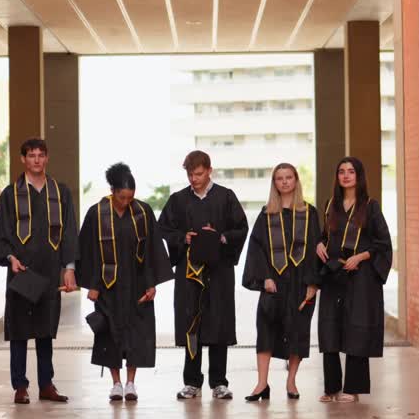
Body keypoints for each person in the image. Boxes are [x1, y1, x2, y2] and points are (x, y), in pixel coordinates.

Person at [0, 138, 79, 404]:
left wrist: (70, 268)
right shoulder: (10, 194)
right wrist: (10, 258)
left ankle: (46, 384)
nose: (37, 160)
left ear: (47, 158)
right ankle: (20, 385)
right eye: (31, 155)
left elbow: (69, 232)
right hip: (22, 270)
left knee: (44, 330)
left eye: (41, 155)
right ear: (23, 159)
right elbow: (1, 232)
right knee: (19, 330)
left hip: (51, 270)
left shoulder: (59, 192)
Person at [157, 150, 248, 401]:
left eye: (198, 174)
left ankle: (219, 382)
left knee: (218, 323)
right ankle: (192, 382)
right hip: (189, 274)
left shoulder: (226, 197)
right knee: (192, 326)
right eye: (189, 174)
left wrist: (221, 236)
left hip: (218, 272)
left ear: (209, 170)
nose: (193, 179)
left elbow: (241, 228)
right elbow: (162, 228)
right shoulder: (178, 200)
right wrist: (182, 237)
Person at [78, 163, 173, 402]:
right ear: (112, 190)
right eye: (122, 197)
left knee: (136, 334)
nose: (126, 202)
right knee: (109, 333)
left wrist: (152, 284)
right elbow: (87, 251)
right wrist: (92, 285)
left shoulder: (143, 211)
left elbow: (153, 249)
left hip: (137, 283)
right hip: (107, 285)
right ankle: (116, 384)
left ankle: (131, 383)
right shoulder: (97, 213)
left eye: (130, 197)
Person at [241, 163, 322, 402]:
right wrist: (265, 276)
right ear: (274, 183)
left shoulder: (310, 213)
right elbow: (256, 248)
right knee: (266, 330)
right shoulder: (267, 214)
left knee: (297, 332)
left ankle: (291, 381)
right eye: (279, 178)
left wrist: (312, 283)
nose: (284, 182)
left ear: (296, 181)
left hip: (300, 282)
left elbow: (314, 249)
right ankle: (262, 383)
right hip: (273, 282)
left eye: (288, 177)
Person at [316, 157, 393, 403]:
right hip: (333, 274)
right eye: (341, 172)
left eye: (351, 171)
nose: (346, 176)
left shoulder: (370, 206)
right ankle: (331, 388)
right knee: (329, 327)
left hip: (360, 277)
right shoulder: (330, 205)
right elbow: (325, 236)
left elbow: (383, 244)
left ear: (358, 176)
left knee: (355, 329)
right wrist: (319, 243)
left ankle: (353, 388)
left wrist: (360, 257)